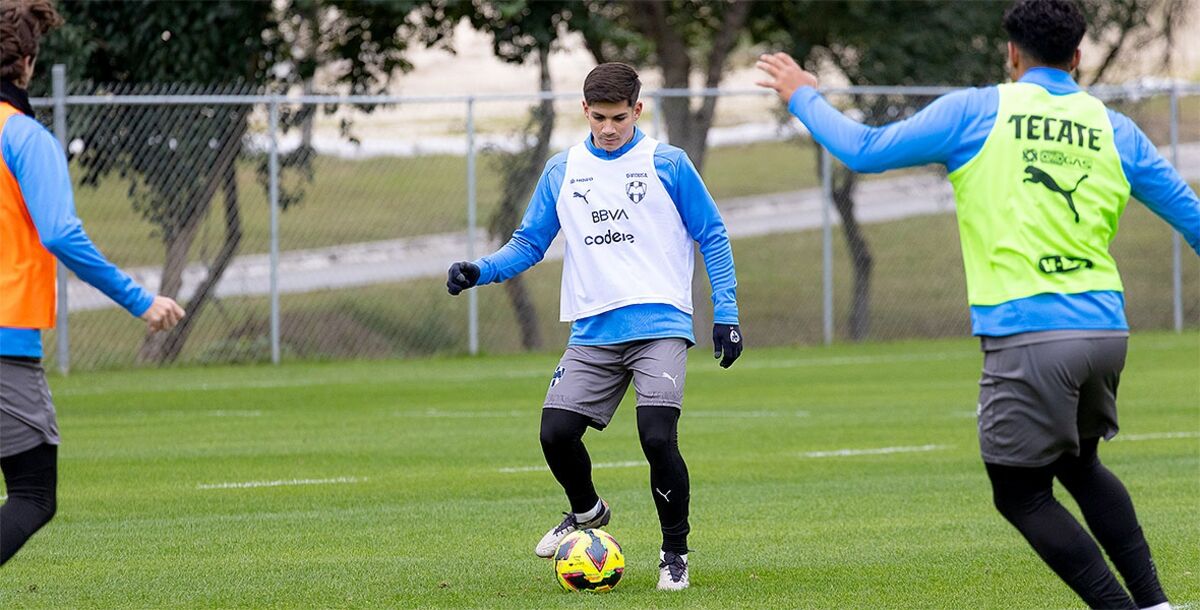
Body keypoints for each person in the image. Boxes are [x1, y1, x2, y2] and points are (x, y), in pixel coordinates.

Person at [756, 1, 1197, 608]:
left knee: (1019, 494)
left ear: (1012, 53)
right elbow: (1192, 217)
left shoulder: (979, 109)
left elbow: (863, 149)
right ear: (1077, 57)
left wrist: (803, 94)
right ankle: (1155, 603)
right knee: (1080, 465)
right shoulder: (1111, 126)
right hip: (1103, 328)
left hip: (1031, 331)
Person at [446, 62, 742, 591]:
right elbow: (529, 243)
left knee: (656, 437)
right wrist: (481, 271)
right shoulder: (564, 170)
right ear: (584, 110)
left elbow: (713, 235)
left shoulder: (668, 164)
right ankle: (586, 513)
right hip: (592, 331)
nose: (609, 128)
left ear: (638, 110)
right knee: (555, 434)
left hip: (660, 324)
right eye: (599, 117)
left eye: (620, 118)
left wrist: (727, 314)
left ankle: (674, 553)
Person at [1, 0, 186, 566]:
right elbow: (58, 233)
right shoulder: (26, 137)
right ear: (28, 63)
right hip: (5, 340)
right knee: (33, 493)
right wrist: (139, 299)